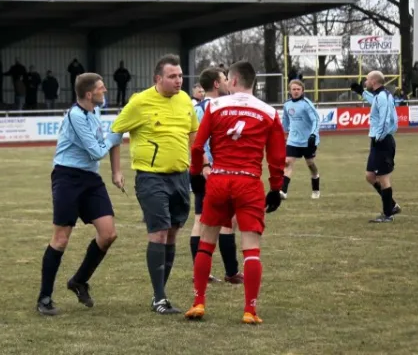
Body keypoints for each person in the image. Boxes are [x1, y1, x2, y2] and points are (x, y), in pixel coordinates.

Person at [184, 60, 286, 324]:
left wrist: (196, 173)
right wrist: (276, 188)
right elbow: (276, 157)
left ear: (234, 80)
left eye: (228, 78)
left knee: (206, 242)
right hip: (249, 182)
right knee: (251, 249)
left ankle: (198, 303)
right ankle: (250, 310)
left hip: (219, 179)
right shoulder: (269, 112)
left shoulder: (215, 106)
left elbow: (197, 146)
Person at [110, 54, 198, 315]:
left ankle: (160, 294)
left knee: (172, 232)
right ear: (158, 79)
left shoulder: (185, 101)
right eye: (173, 76)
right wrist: (116, 170)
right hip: (151, 177)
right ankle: (160, 298)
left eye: (181, 75)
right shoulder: (140, 102)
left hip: (180, 177)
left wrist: (198, 164)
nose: (178, 80)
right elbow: (115, 132)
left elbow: (193, 133)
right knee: (158, 232)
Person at [37, 73, 123, 316]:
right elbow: (97, 151)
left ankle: (78, 281)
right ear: (89, 94)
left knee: (108, 234)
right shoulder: (76, 115)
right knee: (61, 239)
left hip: (90, 179)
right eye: (101, 88)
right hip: (67, 178)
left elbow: (101, 145)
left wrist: (116, 168)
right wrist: (115, 136)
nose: (105, 90)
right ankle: (44, 297)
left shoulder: (94, 112)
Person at [189, 67, 242, 284]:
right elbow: (199, 139)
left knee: (221, 219)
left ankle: (228, 271)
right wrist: (206, 165)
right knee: (206, 220)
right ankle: (213, 272)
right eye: (225, 78)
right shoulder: (207, 108)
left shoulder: (214, 106)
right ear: (217, 84)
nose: (229, 82)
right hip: (209, 170)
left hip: (214, 169)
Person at [350, 71, 401, 222]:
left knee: (383, 178)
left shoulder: (384, 96)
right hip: (378, 141)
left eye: (366, 80)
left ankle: (388, 214)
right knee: (370, 176)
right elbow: (374, 101)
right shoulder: (380, 95)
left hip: (382, 141)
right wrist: (361, 92)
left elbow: (385, 119)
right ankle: (392, 205)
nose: (364, 82)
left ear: (373, 81)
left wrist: (379, 137)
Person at [280, 79, 321, 200]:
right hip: (293, 140)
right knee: (287, 163)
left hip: (308, 140)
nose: (296, 91)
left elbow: (316, 120)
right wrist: (284, 132)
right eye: (294, 89)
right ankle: (283, 191)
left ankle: (316, 187)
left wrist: (313, 134)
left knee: (310, 164)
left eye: (298, 89)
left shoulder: (306, 104)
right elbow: (286, 121)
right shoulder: (287, 105)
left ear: (302, 91)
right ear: (290, 91)